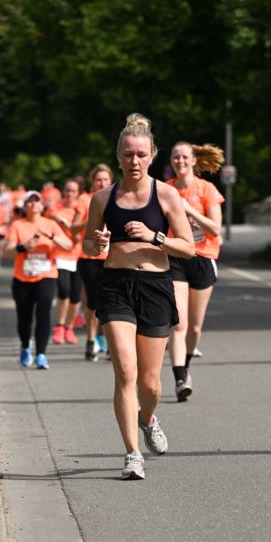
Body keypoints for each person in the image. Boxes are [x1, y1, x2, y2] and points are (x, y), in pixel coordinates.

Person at [83, 113, 194, 480]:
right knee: (125, 373)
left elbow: (188, 248)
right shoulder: (102, 197)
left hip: (155, 286)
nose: (135, 161)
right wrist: (96, 242)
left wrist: (154, 236)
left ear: (152, 155)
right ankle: (132, 454)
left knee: (150, 383)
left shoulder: (166, 195)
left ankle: (148, 419)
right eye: (128, 155)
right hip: (115, 284)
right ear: (118, 156)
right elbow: (88, 239)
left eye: (141, 155)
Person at [166, 141, 224, 401]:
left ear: (193, 160)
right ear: (171, 161)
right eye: (175, 157)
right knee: (179, 323)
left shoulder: (206, 189)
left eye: (184, 157)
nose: (180, 161)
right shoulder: (164, 189)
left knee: (195, 328)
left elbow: (215, 229)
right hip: (176, 257)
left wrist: (189, 211)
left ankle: (186, 364)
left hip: (202, 257)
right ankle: (180, 378)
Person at [4, 190, 73, 369]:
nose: (33, 204)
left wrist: (51, 236)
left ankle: (41, 354)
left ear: (42, 206)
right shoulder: (17, 225)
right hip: (22, 277)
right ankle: (26, 347)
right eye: (30, 201)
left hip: (46, 275)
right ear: (25, 206)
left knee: (43, 313)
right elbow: (8, 252)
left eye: (37, 201)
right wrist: (23, 247)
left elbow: (68, 245)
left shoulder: (50, 224)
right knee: (24, 317)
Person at [73, 163, 114, 360]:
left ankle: (105, 341)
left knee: (109, 302)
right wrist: (93, 219)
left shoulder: (117, 197)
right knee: (92, 302)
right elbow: (74, 228)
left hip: (112, 257)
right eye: (99, 179)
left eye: (106, 179)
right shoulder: (84, 199)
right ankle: (90, 340)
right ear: (93, 181)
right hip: (89, 257)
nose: (102, 182)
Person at [46, 179, 83, 345]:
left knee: (76, 294)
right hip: (59, 255)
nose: (69, 194)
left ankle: (69, 328)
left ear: (78, 193)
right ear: (63, 191)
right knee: (63, 289)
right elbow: (47, 230)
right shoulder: (54, 208)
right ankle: (60, 326)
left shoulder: (81, 210)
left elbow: (77, 236)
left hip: (78, 254)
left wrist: (63, 222)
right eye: (67, 190)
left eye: (73, 191)